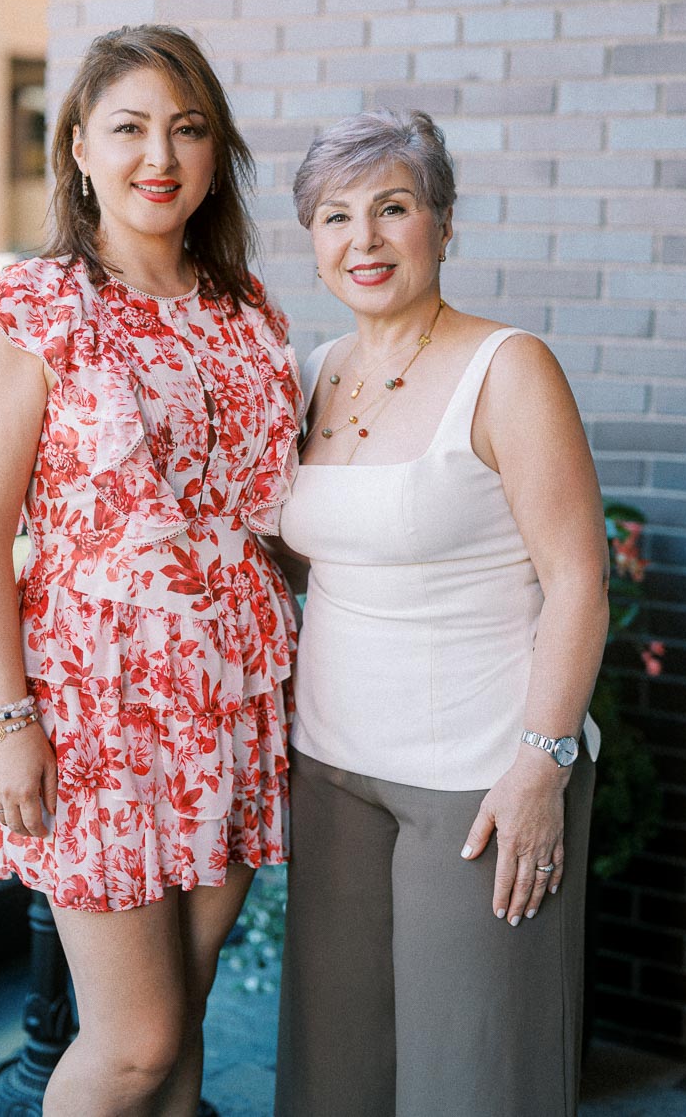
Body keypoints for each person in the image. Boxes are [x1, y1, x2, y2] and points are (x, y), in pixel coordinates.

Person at [0, 24, 301, 1117]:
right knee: (137, 1042)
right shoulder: (37, 305)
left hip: (236, 692)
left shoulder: (249, 311)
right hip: (97, 701)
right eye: (132, 128)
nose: (162, 155)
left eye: (188, 129)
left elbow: (275, 515)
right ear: (80, 150)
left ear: (215, 153)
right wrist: (7, 716)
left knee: (179, 1025)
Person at [273, 109, 609, 1117]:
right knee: (336, 1077)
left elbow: (580, 579)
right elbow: (302, 557)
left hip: (479, 781)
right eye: (335, 216)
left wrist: (540, 764)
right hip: (332, 766)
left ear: (444, 223)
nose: (362, 239)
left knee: (474, 1079)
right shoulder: (314, 370)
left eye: (392, 207)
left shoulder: (509, 368)